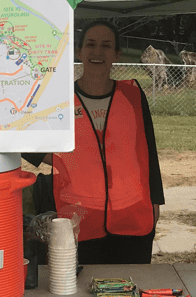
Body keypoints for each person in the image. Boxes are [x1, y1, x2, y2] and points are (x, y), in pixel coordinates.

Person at [26, 21, 164, 264]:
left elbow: (148, 151)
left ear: (116, 55)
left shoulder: (132, 95)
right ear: (79, 52)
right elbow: (27, 141)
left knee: (127, 288)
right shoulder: (61, 99)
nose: (97, 52)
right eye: (90, 45)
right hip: (78, 216)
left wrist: (156, 201)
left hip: (130, 213)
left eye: (106, 46)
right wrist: (65, 159)